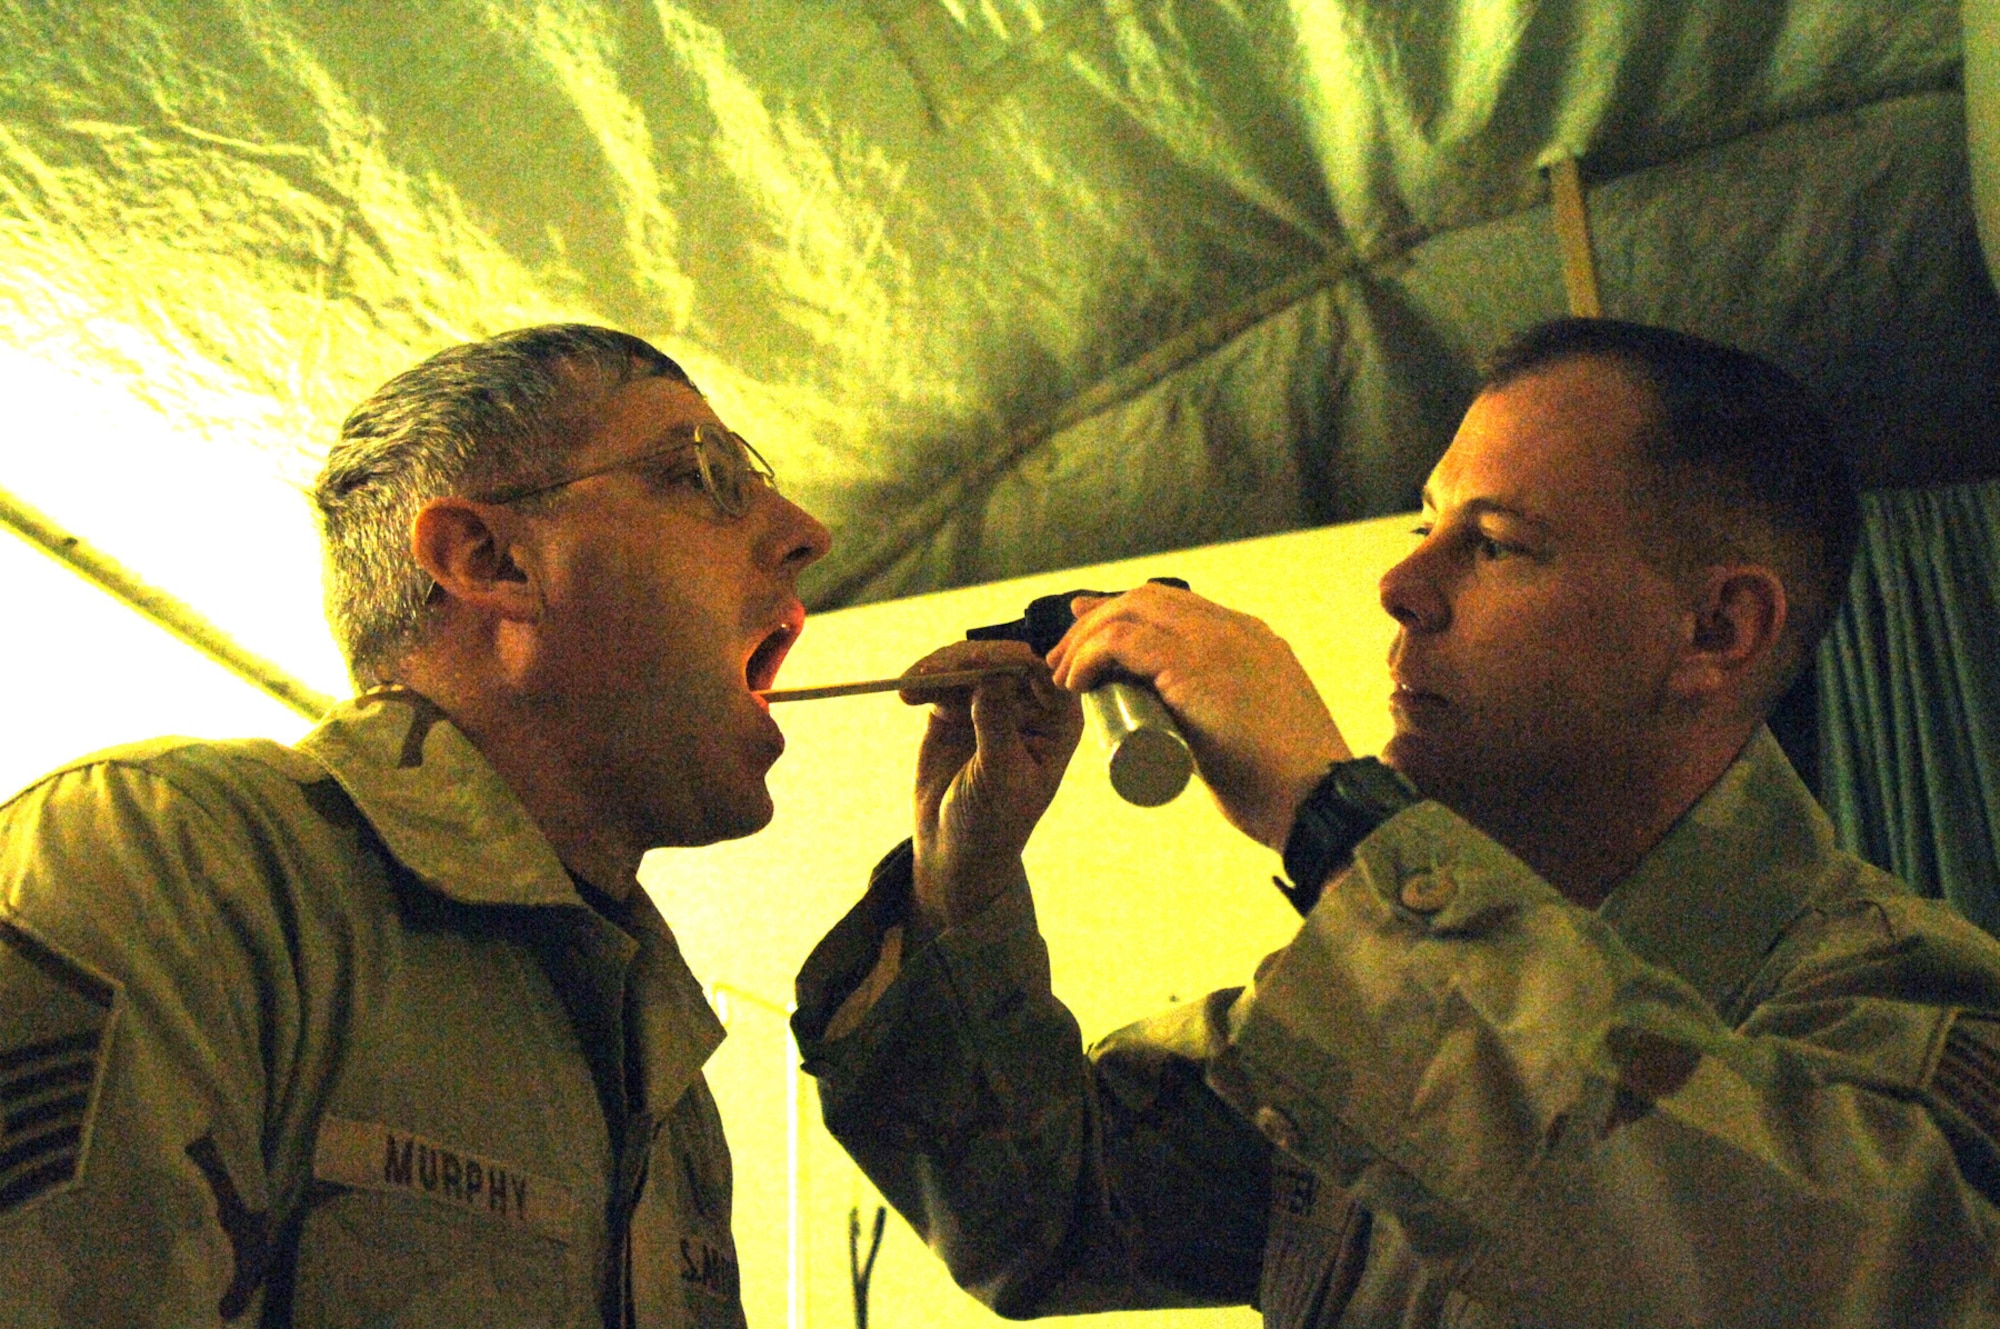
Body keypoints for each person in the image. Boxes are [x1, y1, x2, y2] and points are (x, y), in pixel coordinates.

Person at [793, 317, 2000, 1326]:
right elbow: (1040, 1219)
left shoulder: (1895, 1016)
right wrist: (965, 889)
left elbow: (1791, 1272)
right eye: (1422, 524)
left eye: (1496, 545)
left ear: (1714, 632)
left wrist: (1329, 820)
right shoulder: (1361, 1015)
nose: (1401, 584)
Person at [0, 324, 831, 1326]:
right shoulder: (176, 860)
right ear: (488, 559)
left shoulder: (658, 1051)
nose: (803, 530)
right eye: (699, 475)